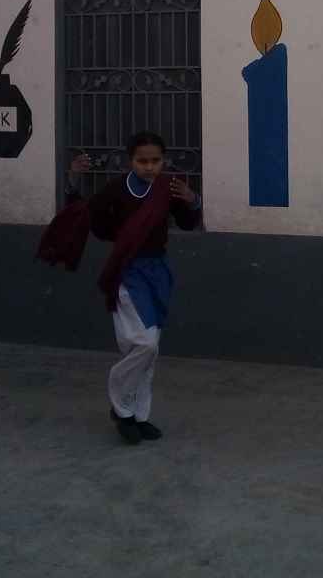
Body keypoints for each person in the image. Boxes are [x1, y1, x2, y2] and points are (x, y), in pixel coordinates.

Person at [45, 133, 201, 445]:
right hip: (128, 272)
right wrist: (74, 180)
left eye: (155, 160)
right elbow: (90, 217)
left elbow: (187, 222)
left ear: (163, 160)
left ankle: (137, 416)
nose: (149, 167)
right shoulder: (117, 189)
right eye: (142, 161)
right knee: (144, 345)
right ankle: (120, 405)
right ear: (130, 161)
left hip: (157, 274)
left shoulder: (168, 187)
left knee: (148, 351)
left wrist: (191, 199)